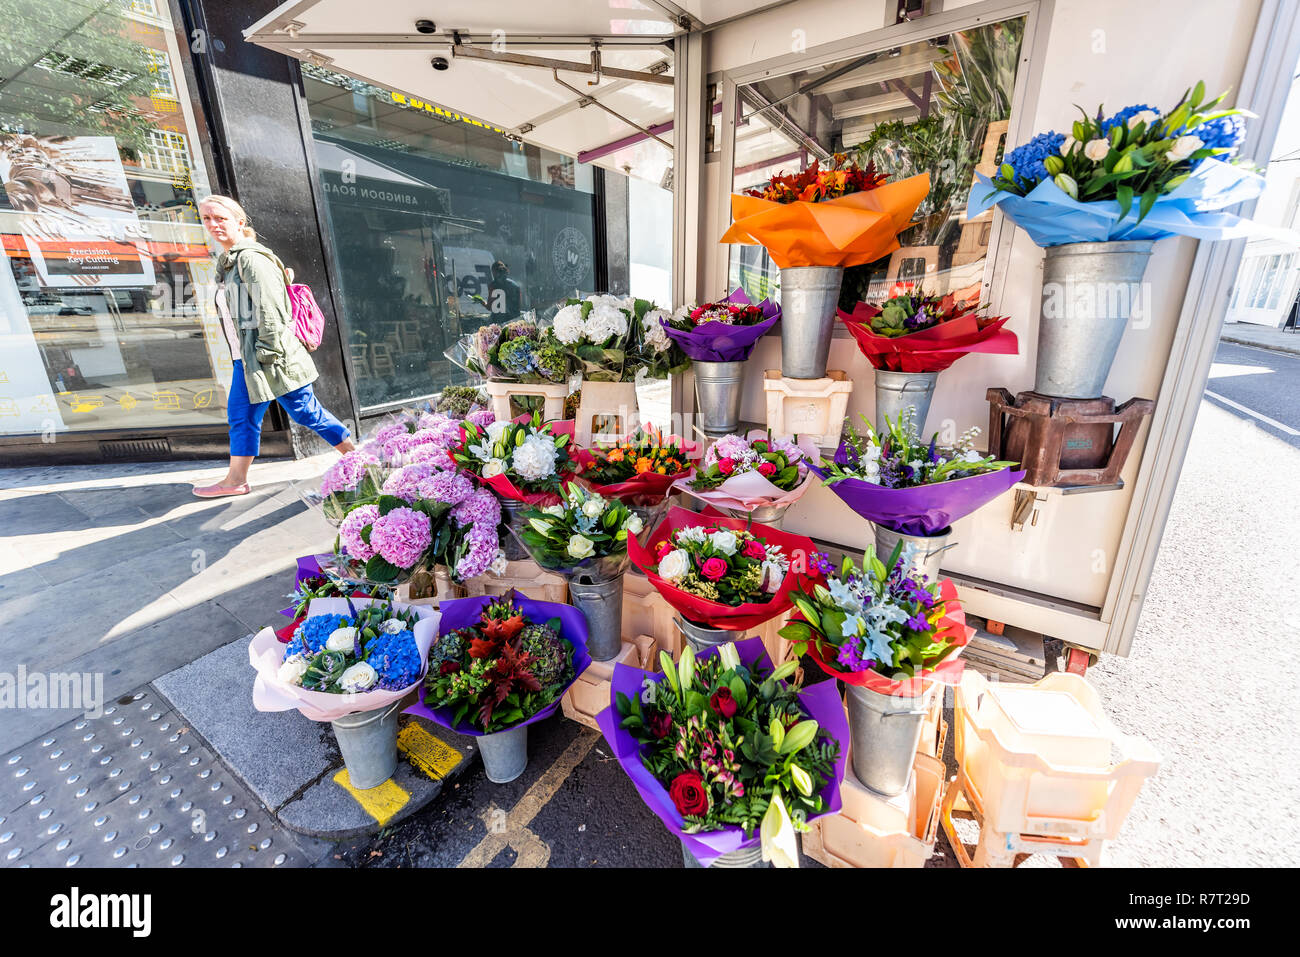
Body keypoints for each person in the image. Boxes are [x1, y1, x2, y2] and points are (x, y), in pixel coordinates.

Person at [193, 195, 354, 497]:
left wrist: (268, 353)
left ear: (239, 221)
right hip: (248, 360)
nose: (213, 224)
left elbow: (271, 313)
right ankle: (235, 480)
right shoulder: (230, 262)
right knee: (242, 417)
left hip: (270, 358)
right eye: (206, 219)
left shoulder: (251, 259)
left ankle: (357, 457)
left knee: (307, 412)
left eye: (220, 218)